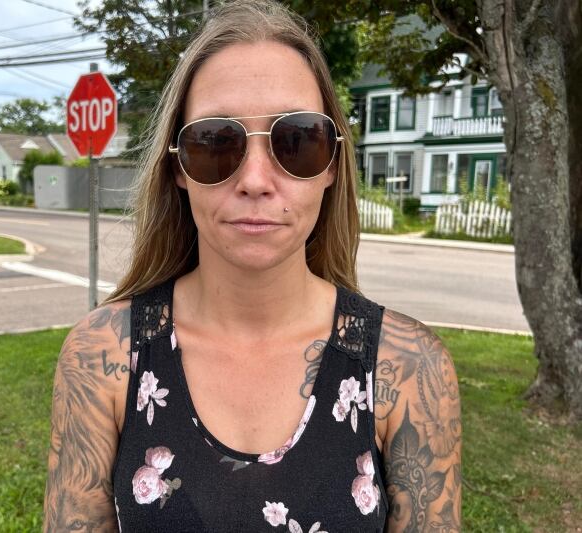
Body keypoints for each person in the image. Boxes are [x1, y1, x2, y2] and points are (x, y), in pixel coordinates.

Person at [43, 1, 462, 531]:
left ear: (331, 164)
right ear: (177, 167)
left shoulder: (409, 370)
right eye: (217, 142)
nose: (256, 179)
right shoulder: (102, 358)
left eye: (297, 140)